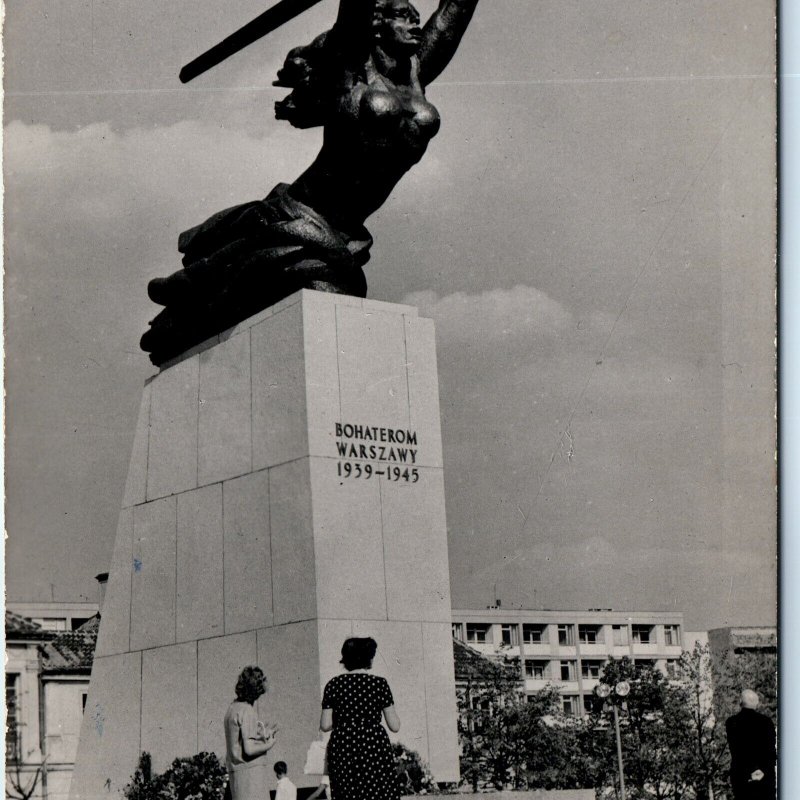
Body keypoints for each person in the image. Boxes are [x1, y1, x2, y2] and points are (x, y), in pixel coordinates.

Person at [141, 0, 481, 365]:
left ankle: (189, 286)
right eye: (404, 17)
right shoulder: (352, 67)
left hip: (347, 233)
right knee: (273, 274)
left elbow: (453, 12)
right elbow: (353, 14)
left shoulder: (415, 73)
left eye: (418, 19)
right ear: (378, 24)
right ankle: (185, 285)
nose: (416, 26)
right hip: (306, 212)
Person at [320, 637, 401, 800]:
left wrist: (347, 720)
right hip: (374, 747)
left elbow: (325, 724)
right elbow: (394, 725)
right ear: (369, 658)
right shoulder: (379, 684)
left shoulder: (333, 685)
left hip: (343, 748)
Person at [224, 666, 279, 800]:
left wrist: (260, 736)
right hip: (252, 777)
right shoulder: (248, 710)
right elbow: (249, 750)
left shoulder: (232, 709)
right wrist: (269, 744)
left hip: (237, 776)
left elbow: (239, 742)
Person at [725, 689, 776, 800]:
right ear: (757, 704)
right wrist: (763, 770)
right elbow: (771, 751)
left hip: (742, 778)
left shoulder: (731, 722)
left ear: (740, 702)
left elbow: (737, 750)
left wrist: (749, 773)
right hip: (765, 779)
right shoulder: (767, 722)